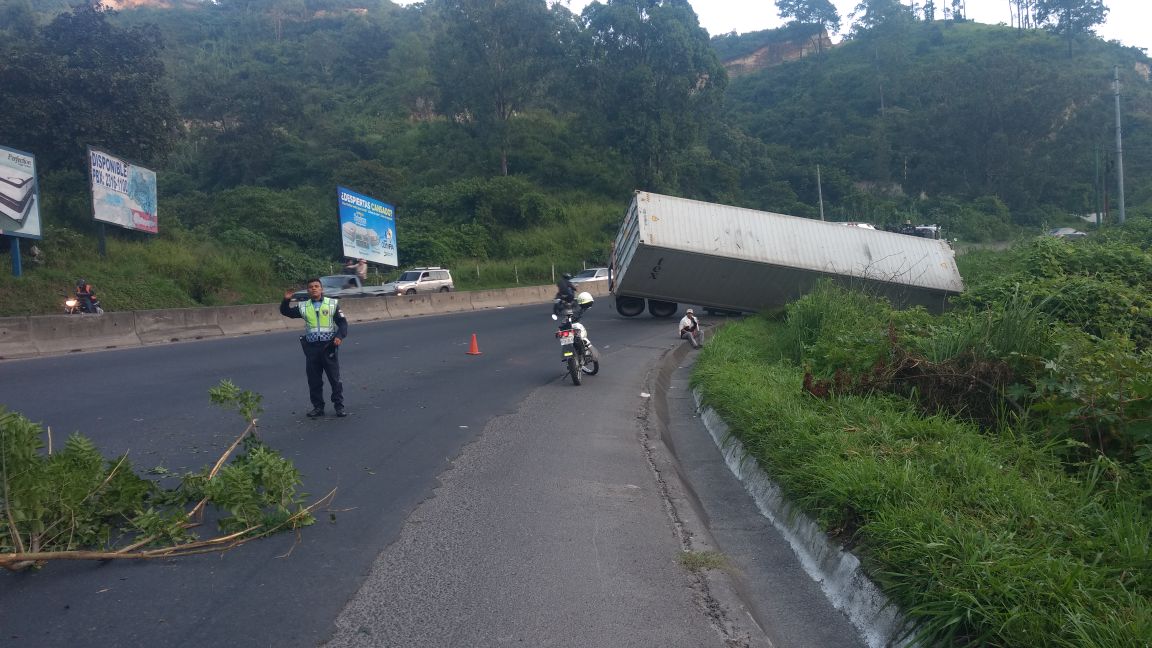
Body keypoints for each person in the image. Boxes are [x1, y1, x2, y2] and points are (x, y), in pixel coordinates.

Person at [281, 278, 349, 418]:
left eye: (316, 286)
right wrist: (286, 300)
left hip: (328, 347)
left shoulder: (332, 304)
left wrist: (339, 336)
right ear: (308, 290)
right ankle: (318, 407)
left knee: (334, 379)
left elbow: (342, 323)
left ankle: (339, 406)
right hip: (312, 348)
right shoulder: (303, 306)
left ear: (321, 289)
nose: (314, 288)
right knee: (314, 380)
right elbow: (286, 312)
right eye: (311, 287)